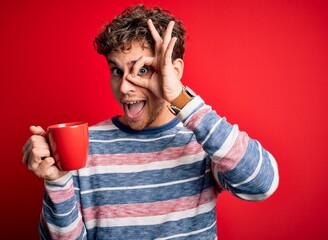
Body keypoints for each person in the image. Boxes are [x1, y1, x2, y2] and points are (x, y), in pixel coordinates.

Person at [22, 4, 279, 239]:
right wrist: (57, 181)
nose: (124, 87)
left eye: (142, 70)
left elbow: (261, 184)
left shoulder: (203, 139)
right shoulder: (84, 145)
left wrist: (180, 98)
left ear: (174, 71)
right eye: (116, 71)